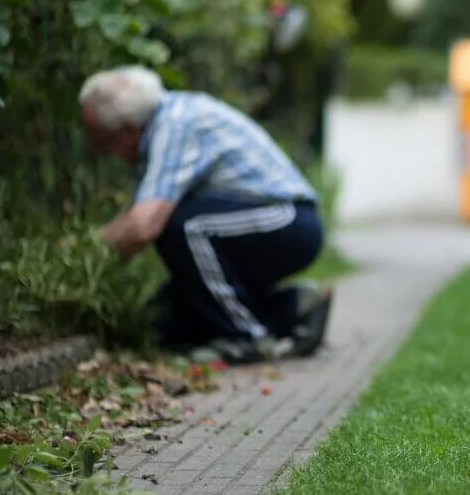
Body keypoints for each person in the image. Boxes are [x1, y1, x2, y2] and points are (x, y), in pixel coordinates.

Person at [78, 65, 333, 365]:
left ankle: (245, 338)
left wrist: (82, 253)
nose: (103, 152)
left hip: (287, 221)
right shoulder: (168, 118)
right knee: (162, 320)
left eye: (102, 141)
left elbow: (143, 227)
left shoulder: (175, 126)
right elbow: (139, 217)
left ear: (130, 130)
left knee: (183, 226)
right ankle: (295, 306)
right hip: (260, 224)